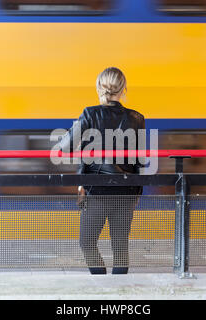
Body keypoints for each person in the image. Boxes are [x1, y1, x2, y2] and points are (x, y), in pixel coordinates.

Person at [58, 67, 145, 275]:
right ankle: (119, 290)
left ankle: (101, 280)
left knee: (87, 243)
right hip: (126, 191)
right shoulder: (137, 118)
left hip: (96, 191)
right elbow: (139, 158)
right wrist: (138, 191)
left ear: (99, 88)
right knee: (120, 246)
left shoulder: (90, 113)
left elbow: (65, 147)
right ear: (124, 89)